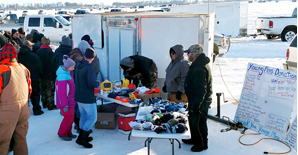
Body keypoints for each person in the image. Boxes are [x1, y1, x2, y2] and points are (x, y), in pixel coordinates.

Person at [0, 43, 32, 155]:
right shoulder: (24, 68)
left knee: (2, 142)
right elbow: (29, 90)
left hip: (6, 112)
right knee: (21, 140)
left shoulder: (2, 69)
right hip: (24, 109)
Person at [182, 44, 213, 152]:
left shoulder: (200, 68)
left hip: (200, 101)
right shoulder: (197, 64)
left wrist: (197, 105)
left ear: (194, 54)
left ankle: (202, 144)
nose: (187, 54)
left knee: (199, 122)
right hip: (195, 100)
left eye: (188, 53)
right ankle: (194, 139)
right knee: (193, 120)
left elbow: (201, 90)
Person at [74, 47, 100, 148]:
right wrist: (97, 83)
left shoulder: (79, 65)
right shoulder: (90, 68)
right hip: (87, 97)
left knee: (84, 116)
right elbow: (91, 83)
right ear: (93, 58)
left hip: (79, 96)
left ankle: (83, 135)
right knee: (93, 118)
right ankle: (82, 138)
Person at [18, 40, 44, 116]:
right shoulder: (34, 56)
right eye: (31, 46)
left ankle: (23, 112)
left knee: (23, 95)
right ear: (28, 47)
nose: (32, 47)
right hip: (33, 77)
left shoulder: (18, 55)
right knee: (35, 94)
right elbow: (40, 67)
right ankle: (37, 110)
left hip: (22, 78)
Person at [56, 55, 77, 141]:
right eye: (72, 66)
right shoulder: (62, 77)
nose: (74, 68)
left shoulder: (68, 73)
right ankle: (62, 133)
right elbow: (62, 93)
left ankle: (69, 132)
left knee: (71, 117)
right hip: (66, 103)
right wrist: (64, 105)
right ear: (68, 67)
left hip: (70, 101)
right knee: (68, 117)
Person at [36, 36, 56, 110]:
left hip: (41, 74)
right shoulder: (50, 52)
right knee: (50, 90)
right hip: (50, 74)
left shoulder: (38, 51)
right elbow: (53, 63)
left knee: (43, 90)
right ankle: (50, 104)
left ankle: (44, 103)